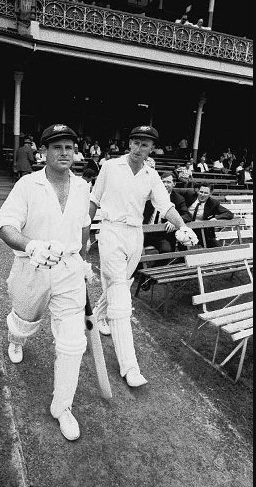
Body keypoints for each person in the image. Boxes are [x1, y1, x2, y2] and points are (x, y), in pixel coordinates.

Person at [0, 123, 92, 441]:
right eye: (57, 147)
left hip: (68, 271)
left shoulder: (82, 187)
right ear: (45, 152)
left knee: (73, 342)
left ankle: (62, 406)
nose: (64, 153)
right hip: (31, 267)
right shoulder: (27, 184)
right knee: (23, 321)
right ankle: (17, 339)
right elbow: (6, 225)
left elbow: (83, 227)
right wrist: (31, 245)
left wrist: (83, 258)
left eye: (69, 147)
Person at [89, 125, 198, 381]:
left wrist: (184, 227)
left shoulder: (151, 174)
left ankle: (95, 315)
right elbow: (94, 199)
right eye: (136, 142)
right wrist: (81, 231)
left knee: (120, 284)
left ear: (152, 149)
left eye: (145, 144)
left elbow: (166, 205)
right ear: (129, 144)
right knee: (120, 295)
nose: (139, 148)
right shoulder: (110, 167)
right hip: (111, 230)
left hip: (135, 235)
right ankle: (130, 366)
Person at [143, 172, 192, 254]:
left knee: (166, 250)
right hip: (145, 232)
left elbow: (188, 215)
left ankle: (158, 267)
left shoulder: (178, 199)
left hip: (162, 235)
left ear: (174, 184)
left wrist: (173, 221)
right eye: (163, 182)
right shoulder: (150, 196)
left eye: (168, 182)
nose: (165, 185)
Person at [184, 183, 234, 247]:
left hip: (203, 232)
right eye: (201, 192)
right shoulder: (188, 197)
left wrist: (216, 218)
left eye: (206, 193)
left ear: (210, 193)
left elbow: (229, 214)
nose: (202, 195)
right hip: (185, 230)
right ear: (198, 191)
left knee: (217, 249)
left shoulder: (213, 203)